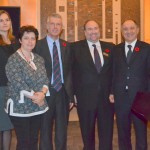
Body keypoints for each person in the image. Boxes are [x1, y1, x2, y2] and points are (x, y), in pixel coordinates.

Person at [71, 20, 114, 150]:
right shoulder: (75, 48)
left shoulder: (110, 47)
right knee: (87, 134)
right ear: (84, 32)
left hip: (106, 99)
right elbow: (71, 73)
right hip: (85, 98)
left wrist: (113, 91)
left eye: (95, 28)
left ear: (99, 30)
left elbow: (115, 72)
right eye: (89, 29)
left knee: (107, 133)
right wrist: (73, 95)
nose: (93, 31)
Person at [34, 13, 74, 150]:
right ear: (47, 26)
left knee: (62, 129)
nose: (55, 27)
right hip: (45, 92)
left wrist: (71, 96)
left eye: (58, 24)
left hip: (63, 92)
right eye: (52, 24)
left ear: (61, 27)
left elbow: (70, 72)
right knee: (45, 128)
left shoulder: (67, 46)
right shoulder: (38, 45)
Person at [5, 25, 49, 150]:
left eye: (33, 38)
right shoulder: (13, 59)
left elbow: (45, 79)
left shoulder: (39, 59)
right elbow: (17, 82)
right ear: (20, 40)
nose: (30, 41)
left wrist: (43, 93)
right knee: (24, 142)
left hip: (37, 106)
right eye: (26, 38)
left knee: (34, 140)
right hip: (20, 107)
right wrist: (36, 97)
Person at [109, 20, 150, 150]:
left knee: (141, 134)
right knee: (123, 133)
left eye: (132, 28)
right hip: (121, 98)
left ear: (137, 30)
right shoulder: (116, 50)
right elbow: (113, 72)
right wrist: (111, 91)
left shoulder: (146, 48)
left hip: (140, 98)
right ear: (122, 32)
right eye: (125, 29)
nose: (129, 31)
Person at [0, 10, 18, 150]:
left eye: (7, 20)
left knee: (7, 126)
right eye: (1, 20)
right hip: (0, 88)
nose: (5, 23)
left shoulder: (14, 41)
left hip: (12, 89)